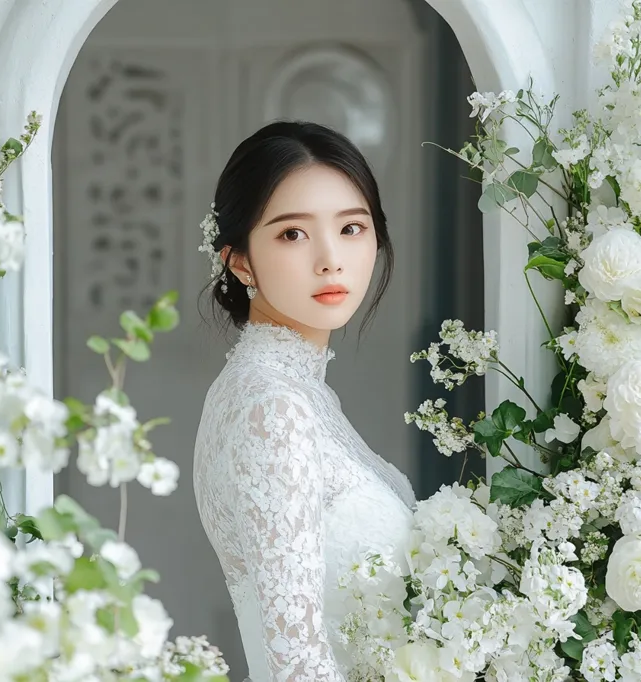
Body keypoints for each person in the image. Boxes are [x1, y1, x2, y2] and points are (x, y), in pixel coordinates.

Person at [193, 121, 416, 682]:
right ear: (240, 261)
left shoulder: (291, 392)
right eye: (293, 234)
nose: (330, 259)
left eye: (351, 228)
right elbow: (296, 664)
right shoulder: (273, 408)